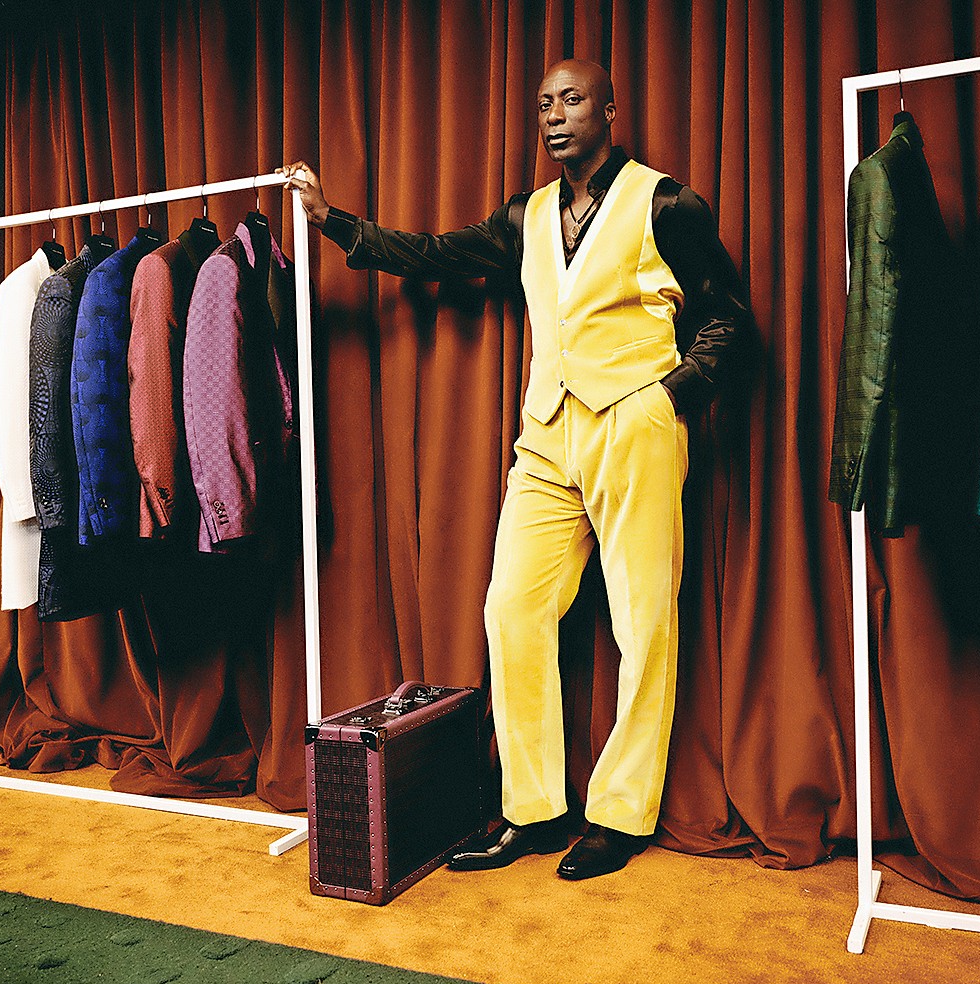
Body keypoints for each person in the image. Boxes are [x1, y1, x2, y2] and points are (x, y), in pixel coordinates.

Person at [283, 58, 745, 881]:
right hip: (545, 433)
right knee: (511, 612)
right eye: (543, 105)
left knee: (643, 623)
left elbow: (728, 320)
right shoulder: (526, 215)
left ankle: (620, 814)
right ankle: (533, 808)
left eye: (571, 100)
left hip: (634, 423)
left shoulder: (666, 201)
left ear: (609, 107)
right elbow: (435, 253)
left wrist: (665, 401)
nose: (555, 116)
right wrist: (334, 223)